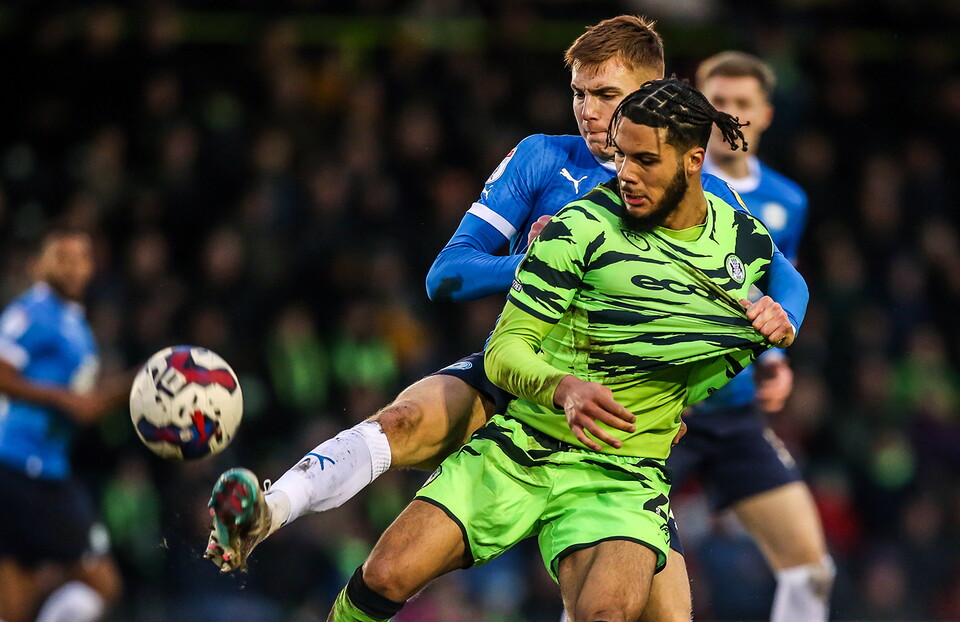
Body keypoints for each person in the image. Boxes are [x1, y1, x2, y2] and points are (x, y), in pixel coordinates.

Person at [205, 17, 807, 617]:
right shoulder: (544, 160)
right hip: (520, 369)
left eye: (607, 96)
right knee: (405, 419)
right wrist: (535, 261)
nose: (589, 112)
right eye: (578, 93)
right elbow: (448, 273)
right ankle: (270, 509)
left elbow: (774, 278)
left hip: (616, 418)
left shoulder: (697, 190)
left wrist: (779, 331)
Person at [665, 51, 833, 622]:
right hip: (664, 412)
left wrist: (773, 364)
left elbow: (777, 294)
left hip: (737, 413)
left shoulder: (789, 201)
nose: (729, 114)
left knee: (813, 572)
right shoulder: (665, 186)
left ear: (764, 113)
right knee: (616, 583)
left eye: (742, 104)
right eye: (718, 102)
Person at [0, 229, 129, 622]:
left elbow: (84, 408)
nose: (72, 266)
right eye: (62, 256)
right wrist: (63, 399)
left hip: (34, 469)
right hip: (27, 467)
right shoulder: (32, 311)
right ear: (41, 263)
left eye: (81, 258)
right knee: (104, 584)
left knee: (14, 605)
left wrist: (137, 383)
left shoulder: (74, 323)